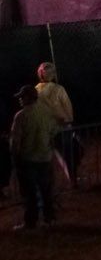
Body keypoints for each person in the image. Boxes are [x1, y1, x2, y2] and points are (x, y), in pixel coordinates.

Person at [9, 85, 60, 230]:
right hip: (45, 158)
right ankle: (49, 218)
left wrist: (14, 157)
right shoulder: (46, 112)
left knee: (30, 192)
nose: (20, 99)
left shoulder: (21, 116)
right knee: (46, 191)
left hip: (28, 160)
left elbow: (16, 141)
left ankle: (31, 221)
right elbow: (54, 132)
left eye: (22, 97)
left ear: (28, 97)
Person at [35, 62, 77, 187]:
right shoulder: (58, 89)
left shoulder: (36, 91)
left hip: (46, 128)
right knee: (69, 153)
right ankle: (72, 178)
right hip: (61, 126)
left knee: (52, 156)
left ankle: (49, 182)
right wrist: (69, 121)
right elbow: (67, 107)